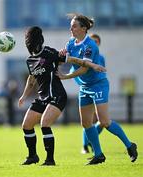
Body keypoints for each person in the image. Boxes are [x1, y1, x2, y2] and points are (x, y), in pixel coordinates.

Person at [18, 26, 105, 166]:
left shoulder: (50, 52)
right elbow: (31, 79)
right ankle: (32, 156)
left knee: (44, 124)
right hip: (42, 97)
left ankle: (50, 160)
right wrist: (23, 96)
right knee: (26, 125)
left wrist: (91, 65)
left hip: (57, 96)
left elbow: (72, 59)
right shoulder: (30, 60)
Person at [58, 14, 138, 164]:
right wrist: (61, 56)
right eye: (71, 26)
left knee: (104, 122)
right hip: (84, 87)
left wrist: (65, 77)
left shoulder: (90, 46)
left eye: (74, 26)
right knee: (86, 123)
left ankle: (130, 145)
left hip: (98, 85)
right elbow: (66, 59)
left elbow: (84, 69)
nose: (71, 28)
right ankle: (99, 155)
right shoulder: (70, 43)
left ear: (83, 28)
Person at [81, 34, 104, 154]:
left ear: (99, 44)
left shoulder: (101, 58)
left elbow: (102, 73)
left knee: (101, 121)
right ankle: (85, 146)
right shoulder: (85, 56)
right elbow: (75, 71)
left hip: (98, 89)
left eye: (96, 41)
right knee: (88, 120)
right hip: (87, 89)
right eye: (93, 41)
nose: (94, 43)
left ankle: (91, 142)